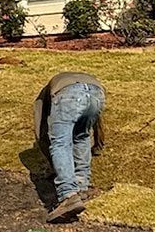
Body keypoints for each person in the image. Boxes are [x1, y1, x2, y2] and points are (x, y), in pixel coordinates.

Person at [32, 71, 105, 222]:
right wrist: (98, 146)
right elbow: (97, 126)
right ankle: (81, 186)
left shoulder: (41, 98)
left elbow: (41, 129)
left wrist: (48, 156)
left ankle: (68, 194)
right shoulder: (66, 80)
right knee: (82, 137)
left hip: (69, 95)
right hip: (97, 92)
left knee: (60, 143)